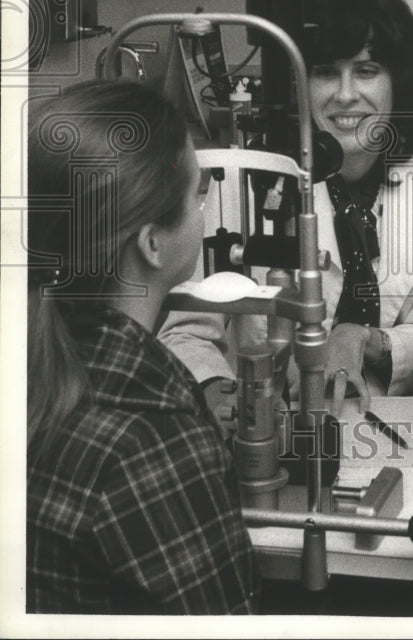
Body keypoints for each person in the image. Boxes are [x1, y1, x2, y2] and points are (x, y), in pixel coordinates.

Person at [158, 0, 413, 422]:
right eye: (325, 72)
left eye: (367, 71)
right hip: (273, 417)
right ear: (298, 83)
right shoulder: (253, 176)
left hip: (393, 415)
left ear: (399, 83)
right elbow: (187, 331)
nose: (346, 94)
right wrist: (219, 394)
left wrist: (361, 338)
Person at [26, 80, 257, 614]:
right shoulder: (154, 445)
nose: (203, 213)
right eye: (197, 196)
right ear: (153, 243)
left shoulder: (37, 373)